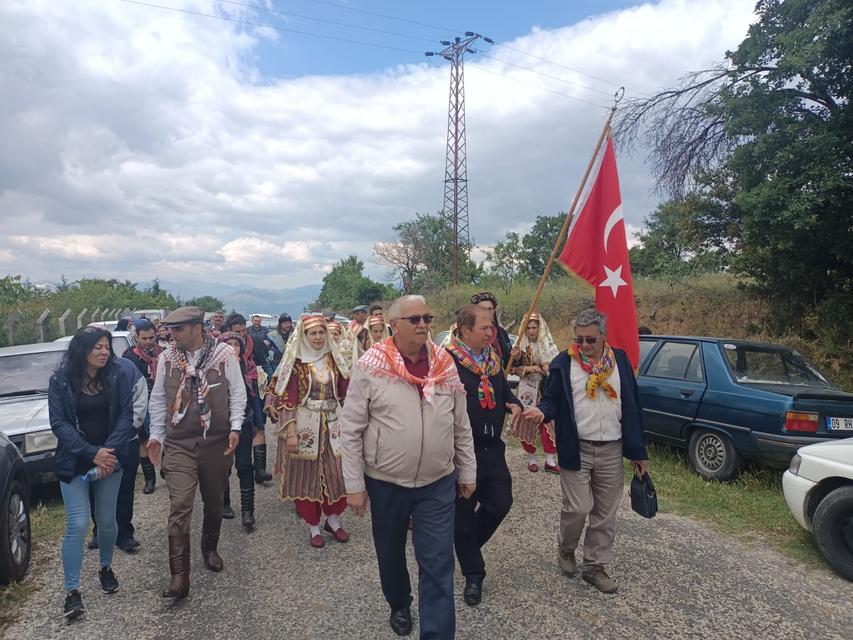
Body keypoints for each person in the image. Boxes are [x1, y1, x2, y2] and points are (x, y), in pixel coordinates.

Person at [341, 295, 476, 640]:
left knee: (438, 563)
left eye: (427, 318)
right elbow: (352, 428)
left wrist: (468, 470)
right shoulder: (370, 366)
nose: (422, 325)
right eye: (414, 319)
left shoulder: (444, 363)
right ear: (394, 324)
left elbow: (461, 423)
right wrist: (354, 485)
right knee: (390, 552)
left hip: (438, 482)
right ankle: (399, 602)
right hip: (386, 482)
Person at [521, 309, 649, 594]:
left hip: (612, 448)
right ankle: (566, 548)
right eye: (579, 340)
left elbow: (633, 407)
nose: (585, 346)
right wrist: (541, 413)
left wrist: (639, 452)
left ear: (604, 336)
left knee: (605, 513)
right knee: (577, 508)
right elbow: (551, 400)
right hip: (576, 447)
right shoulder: (563, 363)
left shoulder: (620, 362)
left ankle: (594, 566)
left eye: (590, 340)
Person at [147, 306, 246, 600]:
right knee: (180, 504)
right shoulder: (166, 358)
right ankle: (179, 575)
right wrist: (156, 436)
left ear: (196, 328)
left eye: (178, 330)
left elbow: (237, 393)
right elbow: (158, 400)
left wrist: (236, 427)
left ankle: (209, 548)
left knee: (214, 502)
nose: (171, 335)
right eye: (170, 330)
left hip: (215, 442)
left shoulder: (224, 355)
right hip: (179, 444)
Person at [48, 326, 136, 620]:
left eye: (106, 347)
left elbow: (126, 415)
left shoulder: (117, 375)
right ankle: (72, 592)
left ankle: (105, 567)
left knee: (108, 522)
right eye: (97, 347)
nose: (103, 352)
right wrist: (91, 453)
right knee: (77, 524)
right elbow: (59, 423)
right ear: (81, 350)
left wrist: (107, 453)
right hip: (74, 461)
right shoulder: (60, 380)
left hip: (110, 460)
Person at [446, 304, 521, 607]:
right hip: (462, 452)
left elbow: (503, 392)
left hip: (493, 450)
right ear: (465, 331)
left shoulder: (492, 359)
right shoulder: (447, 362)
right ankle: (474, 575)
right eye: (485, 328)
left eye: (491, 327)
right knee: (463, 517)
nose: (492, 333)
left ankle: (465, 548)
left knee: (501, 502)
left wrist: (513, 404)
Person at [265, 315, 350, 547]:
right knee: (306, 476)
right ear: (304, 335)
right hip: (306, 424)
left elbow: (346, 392)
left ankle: (332, 520)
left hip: (334, 423)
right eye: (313, 333)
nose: (318, 337)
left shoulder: (335, 360)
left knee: (339, 474)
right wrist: (290, 433)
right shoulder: (297, 362)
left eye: (322, 332)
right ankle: (313, 526)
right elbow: (287, 399)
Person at [221, 313, 271, 487]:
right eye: (237, 331)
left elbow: (264, 362)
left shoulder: (253, 342)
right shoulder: (222, 348)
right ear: (229, 331)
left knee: (259, 426)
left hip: (253, 389)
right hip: (230, 396)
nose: (242, 334)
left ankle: (259, 469)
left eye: (243, 330)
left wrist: (266, 378)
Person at [510, 312, 560, 474]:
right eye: (528, 328)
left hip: (547, 388)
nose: (531, 331)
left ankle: (550, 461)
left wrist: (548, 367)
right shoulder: (519, 347)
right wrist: (527, 368)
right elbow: (511, 369)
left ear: (540, 328)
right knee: (528, 423)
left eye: (534, 327)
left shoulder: (549, 345)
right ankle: (531, 459)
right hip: (528, 389)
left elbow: (558, 367)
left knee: (549, 423)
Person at [218, 331, 258, 531]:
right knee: (223, 465)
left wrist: (259, 422)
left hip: (244, 421)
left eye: (236, 344)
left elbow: (255, 398)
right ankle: (224, 503)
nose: (233, 348)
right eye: (228, 344)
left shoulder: (248, 367)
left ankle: (247, 511)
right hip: (220, 424)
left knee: (244, 464)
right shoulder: (213, 368)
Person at [123, 320, 162, 494]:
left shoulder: (164, 353)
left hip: (162, 399)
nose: (148, 341)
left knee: (166, 435)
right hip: (140, 402)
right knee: (143, 439)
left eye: (151, 337)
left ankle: (167, 466)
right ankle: (149, 478)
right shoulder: (129, 357)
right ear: (136, 337)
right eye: (144, 338)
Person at [470, 292, 512, 368]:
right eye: (482, 309)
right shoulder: (468, 333)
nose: (486, 312)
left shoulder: (502, 333)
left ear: (493, 311)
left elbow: (509, 361)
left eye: (489, 309)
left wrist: (516, 357)